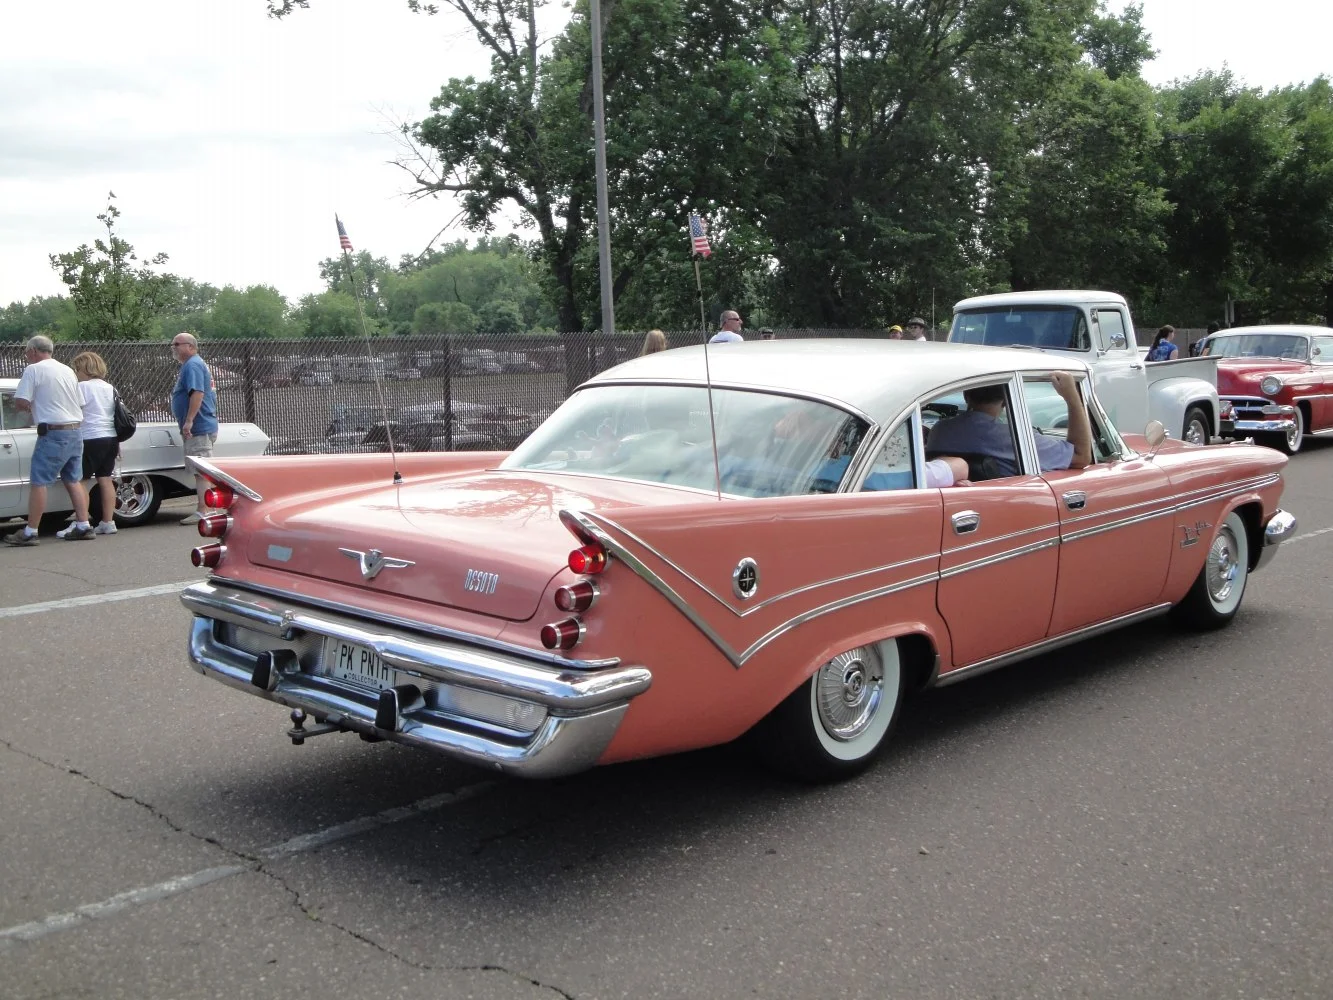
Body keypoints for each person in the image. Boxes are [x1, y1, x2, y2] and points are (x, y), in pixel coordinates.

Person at [5, 336, 93, 545]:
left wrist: (28, 406)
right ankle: (83, 524)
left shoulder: (33, 370)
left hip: (53, 432)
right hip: (74, 431)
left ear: (34, 351)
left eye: (27, 353)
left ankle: (30, 530)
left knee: (39, 481)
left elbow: (20, 401)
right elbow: (80, 402)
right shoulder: (67, 370)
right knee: (72, 479)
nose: (27, 357)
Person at [925, 372, 1092, 479]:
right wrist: (1072, 398)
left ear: (966, 396)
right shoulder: (1015, 436)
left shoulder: (940, 430)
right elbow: (1081, 456)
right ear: (1005, 401)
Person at [64, 351, 120, 537]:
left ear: (85, 369)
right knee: (105, 479)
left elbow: (74, 410)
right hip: (110, 437)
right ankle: (108, 521)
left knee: (80, 481)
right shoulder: (110, 387)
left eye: (77, 368)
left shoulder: (83, 387)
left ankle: (82, 521)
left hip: (90, 436)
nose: (76, 372)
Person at [170, 331, 220, 525]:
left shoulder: (193, 365)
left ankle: (204, 509)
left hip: (199, 425)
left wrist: (189, 420)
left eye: (177, 344)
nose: (173, 348)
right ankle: (207, 507)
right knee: (201, 469)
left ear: (190, 346)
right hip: (199, 424)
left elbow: (197, 393)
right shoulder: (191, 365)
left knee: (202, 470)